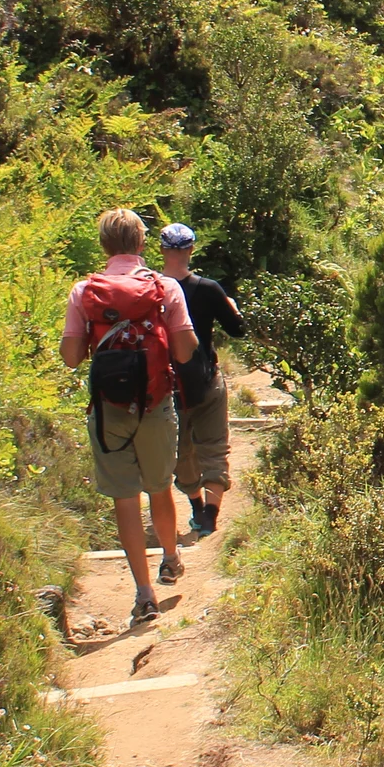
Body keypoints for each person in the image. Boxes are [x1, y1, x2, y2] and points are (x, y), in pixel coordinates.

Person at [61, 208, 198, 625]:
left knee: (125, 498)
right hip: (155, 403)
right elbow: (184, 351)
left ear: (103, 246)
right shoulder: (165, 287)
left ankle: (143, 593)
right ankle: (171, 557)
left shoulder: (84, 291)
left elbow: (70, 358)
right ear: (142, 243)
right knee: (159, 487)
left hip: (108, 410)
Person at [159, 222, 246, 536]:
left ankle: (196, 506)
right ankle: (209, 515)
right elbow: (238, 330)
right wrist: (232, 308)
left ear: (162, 250)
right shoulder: (208, 289)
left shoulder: (151, 289)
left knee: (179, 453)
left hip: (167, 387)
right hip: (206, 382)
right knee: (214, 448)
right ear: (191, 250)